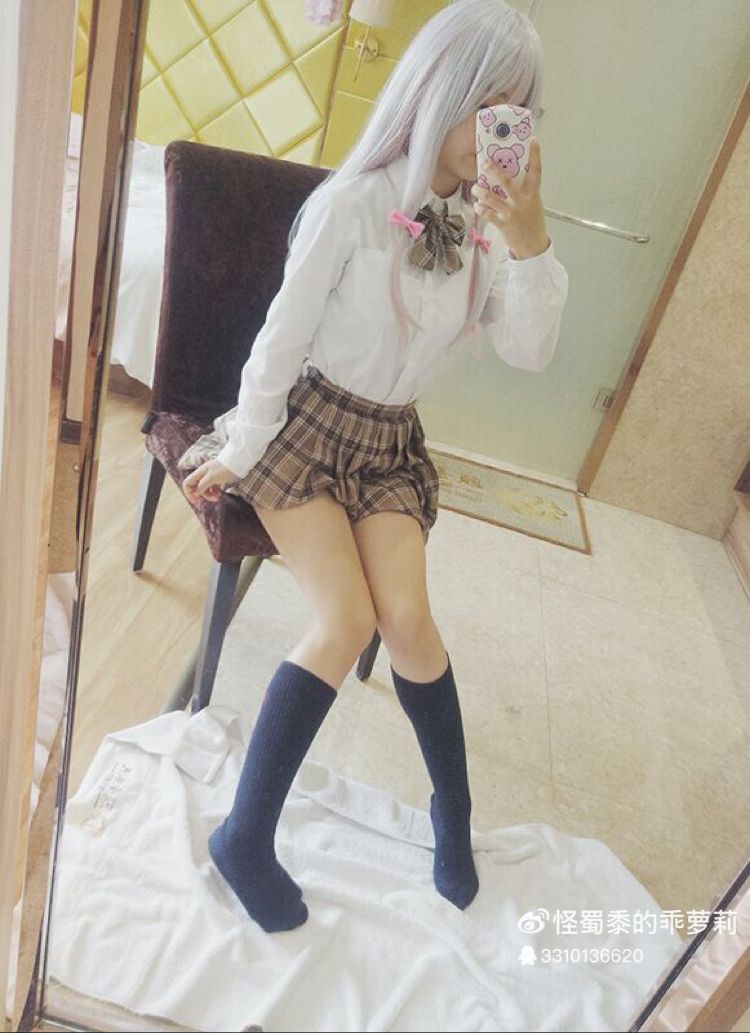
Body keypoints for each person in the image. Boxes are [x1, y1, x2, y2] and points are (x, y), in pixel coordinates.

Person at [178, 0, 569, 933]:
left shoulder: (485, 231)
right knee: (346, 618)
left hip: (389, 442)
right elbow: (279, 342)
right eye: (488, 103)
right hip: (305, 427)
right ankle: (244, 834)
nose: (499, 129)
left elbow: (531, 352)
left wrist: (530, 239)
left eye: (518, 113)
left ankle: (452, 814)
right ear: (441, 89)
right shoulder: (351, 205)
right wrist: (239, 447)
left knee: (411, 622)